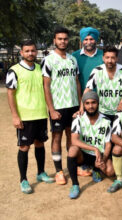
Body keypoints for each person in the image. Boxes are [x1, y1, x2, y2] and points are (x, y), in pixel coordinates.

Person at [6, 40, 54, 194]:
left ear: (36, 52)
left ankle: (41, 173)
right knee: (24, 147)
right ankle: (23, 180)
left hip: (40, 113)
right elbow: (10, 94)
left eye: (33, 50)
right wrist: (15, 115)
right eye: (27, 51)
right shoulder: (14, 70)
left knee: (40, 144)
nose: (30, 53)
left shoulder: (40, 69)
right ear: (21, 53)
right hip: (25, 116)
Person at [42, 27, 81, 185]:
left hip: (73, 106)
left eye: (65, 39)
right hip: (58, 106)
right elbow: (46, 86)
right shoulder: (48, 60)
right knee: (57, 137)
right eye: (60, 39)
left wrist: (80, 105)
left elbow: (77, 82)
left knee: (72, 137)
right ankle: (59, 171)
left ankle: (73, 167)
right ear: (54, 40)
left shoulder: (73, 59)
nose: (63, 41)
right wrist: (51, 109)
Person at [67, 91, 115, 199]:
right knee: (72, 150)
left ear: (98, 103)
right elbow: (74, 140)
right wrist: (94, 149)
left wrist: (104, 158)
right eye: (87, 103)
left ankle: (96, 169)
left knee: (110, 172)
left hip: (99, 156)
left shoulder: (106, 121)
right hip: (83, 154)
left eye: (93, 103)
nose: (90, 106)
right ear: (83, 105)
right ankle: (75, 185)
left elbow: (108, 144)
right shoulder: (78, 119)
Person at [83, 46, 122, 121]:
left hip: (121, 112)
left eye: (113, 57)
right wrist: (81, 108)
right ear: (103, 58)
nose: (110, 60)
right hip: (102, 113)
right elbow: (88, 89)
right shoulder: (97, 71)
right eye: (107, 57)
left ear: (117, 58)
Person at [72, 27, 103, 92]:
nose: (88, 42)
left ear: (96, 40)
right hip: (81, 97)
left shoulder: (104, 55)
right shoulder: (74, 56)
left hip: (101, 96)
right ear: (82, 41)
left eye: (91, 39)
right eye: (86, 39)